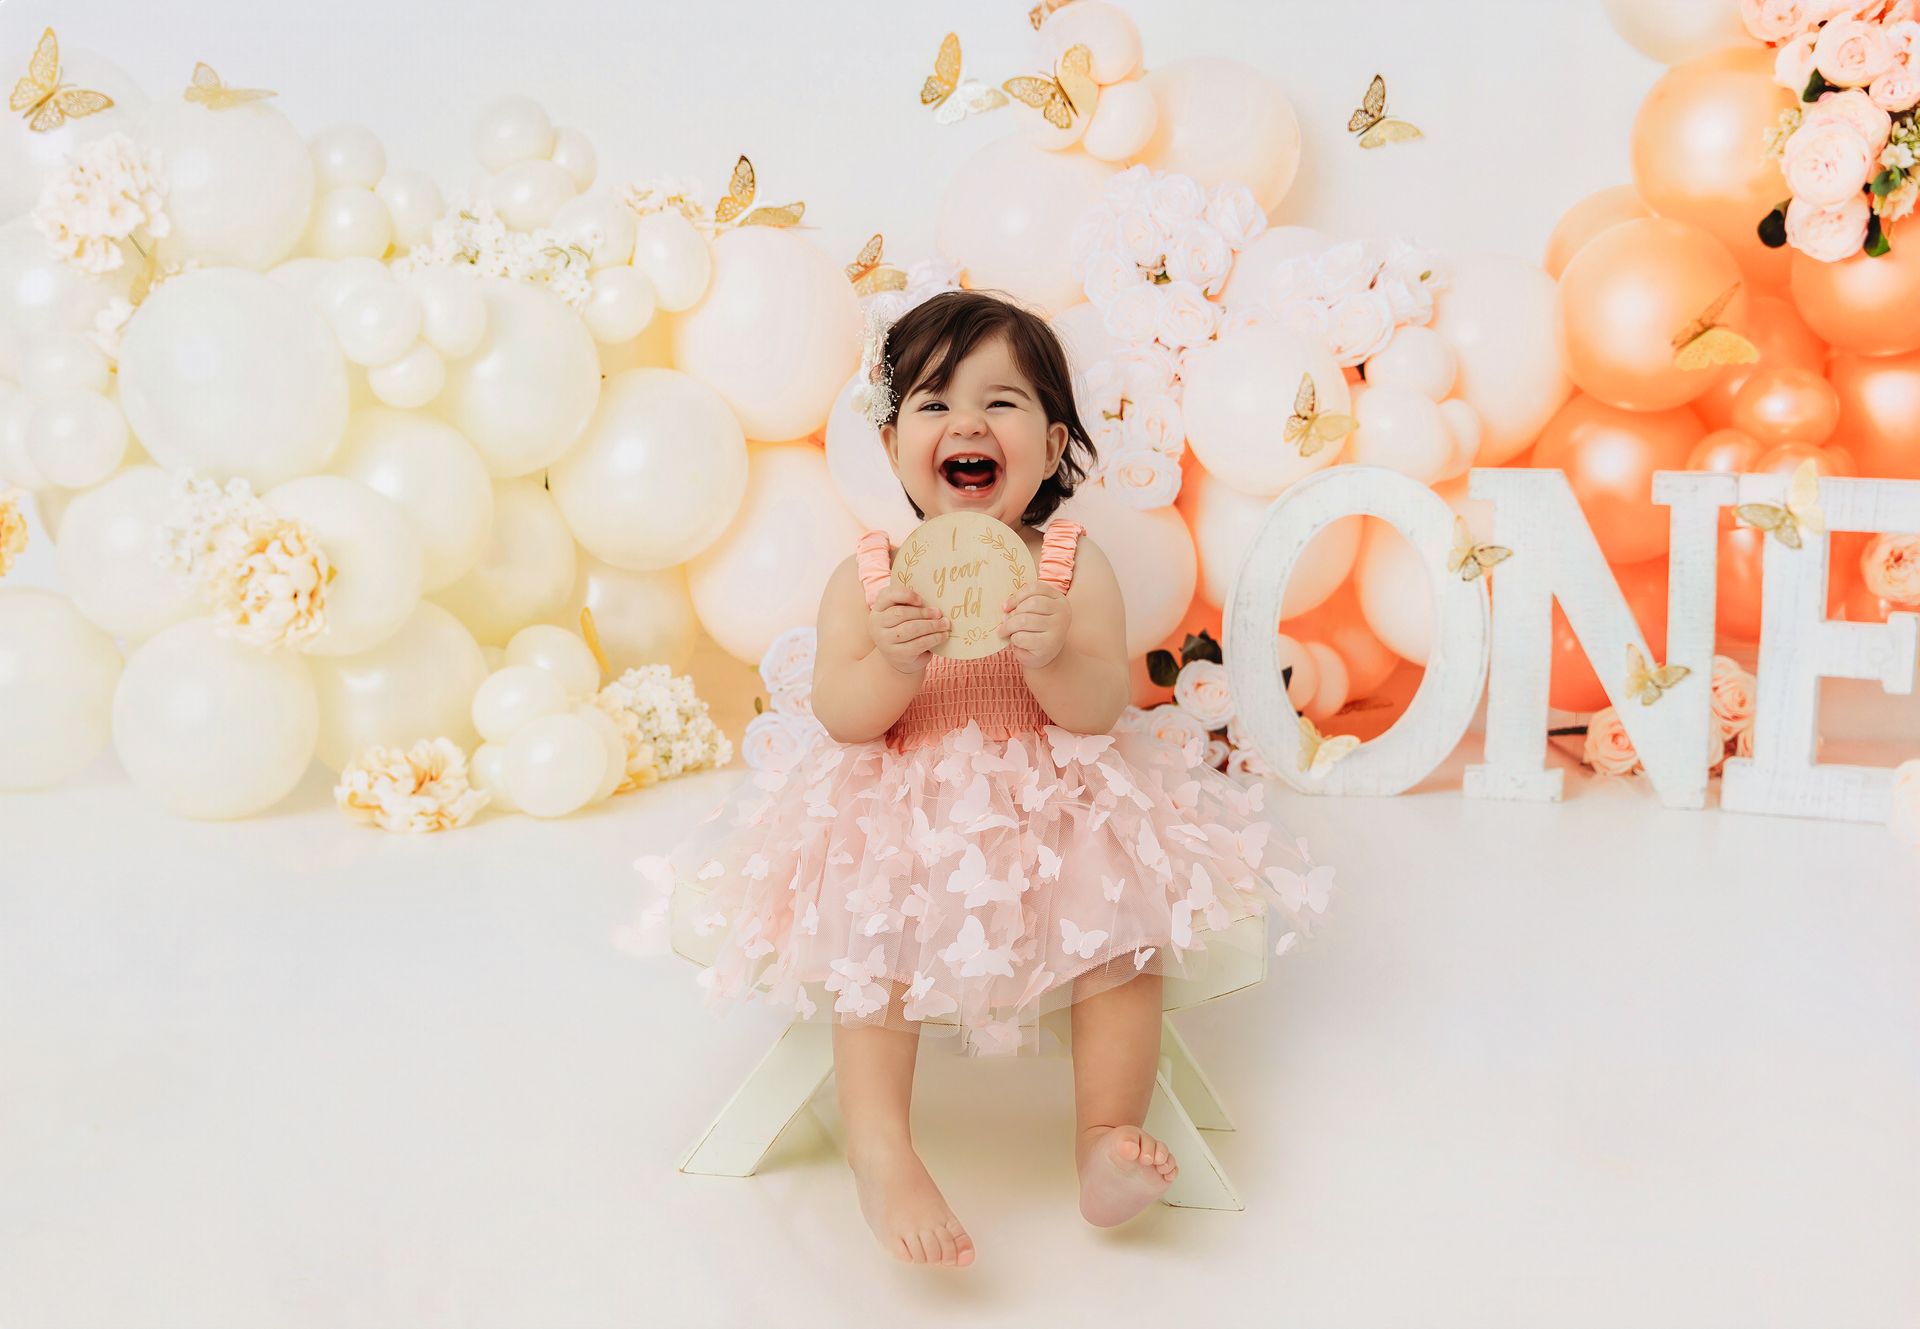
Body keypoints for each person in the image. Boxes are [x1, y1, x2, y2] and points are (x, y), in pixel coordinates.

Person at [624, 289, 1332, 1267]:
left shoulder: (1070, 567)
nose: (966, 423)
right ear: (892, 446)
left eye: (1000, 404)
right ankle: (882, 1149)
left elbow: (1094, 708)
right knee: (869, 948)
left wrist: (1054, 655)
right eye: (932, 402)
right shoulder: (868, 578)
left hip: (1058, 806)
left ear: (1051, 446)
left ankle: (1103, 1139)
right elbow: (844, 717)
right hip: (900, 803)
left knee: (1119, 935)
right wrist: (890, 662)